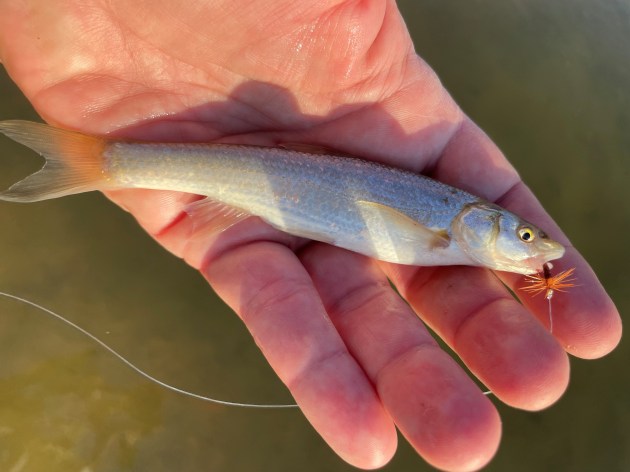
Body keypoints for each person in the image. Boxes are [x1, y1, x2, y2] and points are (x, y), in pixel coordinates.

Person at [0, 1, 621, 470]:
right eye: (523, 234)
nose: (538, 250)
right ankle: (100, 160)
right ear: (477, 223)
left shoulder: (456, 234)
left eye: (528, 240)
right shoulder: (451, 229)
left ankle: (101, 161)